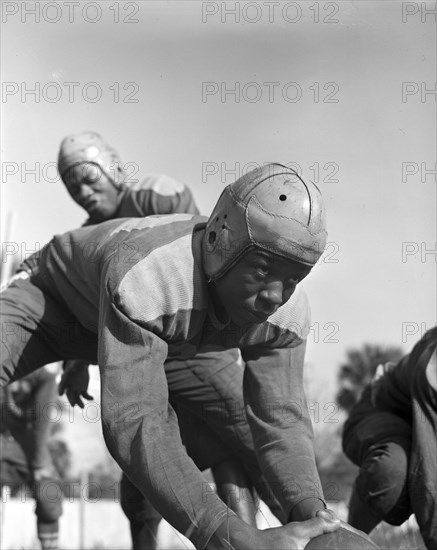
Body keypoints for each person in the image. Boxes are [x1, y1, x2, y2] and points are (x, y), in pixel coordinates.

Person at [1, 163, 341, 550]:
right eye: (262, 269)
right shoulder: (152, 275)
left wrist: (317, 519)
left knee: (227, 435)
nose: (275, 297)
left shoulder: (284, 315)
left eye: (294, 279)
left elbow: (280, 418)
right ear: (219, 241)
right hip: (54, 304)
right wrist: (229, 538)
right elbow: (136, 422)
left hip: (153, 333)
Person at [343, 327, 437, 550]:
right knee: (390, 475)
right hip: (382, 414)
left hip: (424, 427)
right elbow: (430, 476)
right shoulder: (433, 368)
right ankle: (345, 540)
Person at [0, 367, 63, 550]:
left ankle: (50, 546)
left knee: (48, 492)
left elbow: (42, 420)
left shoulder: (46, 369)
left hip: (28, 443)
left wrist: (40, 462)